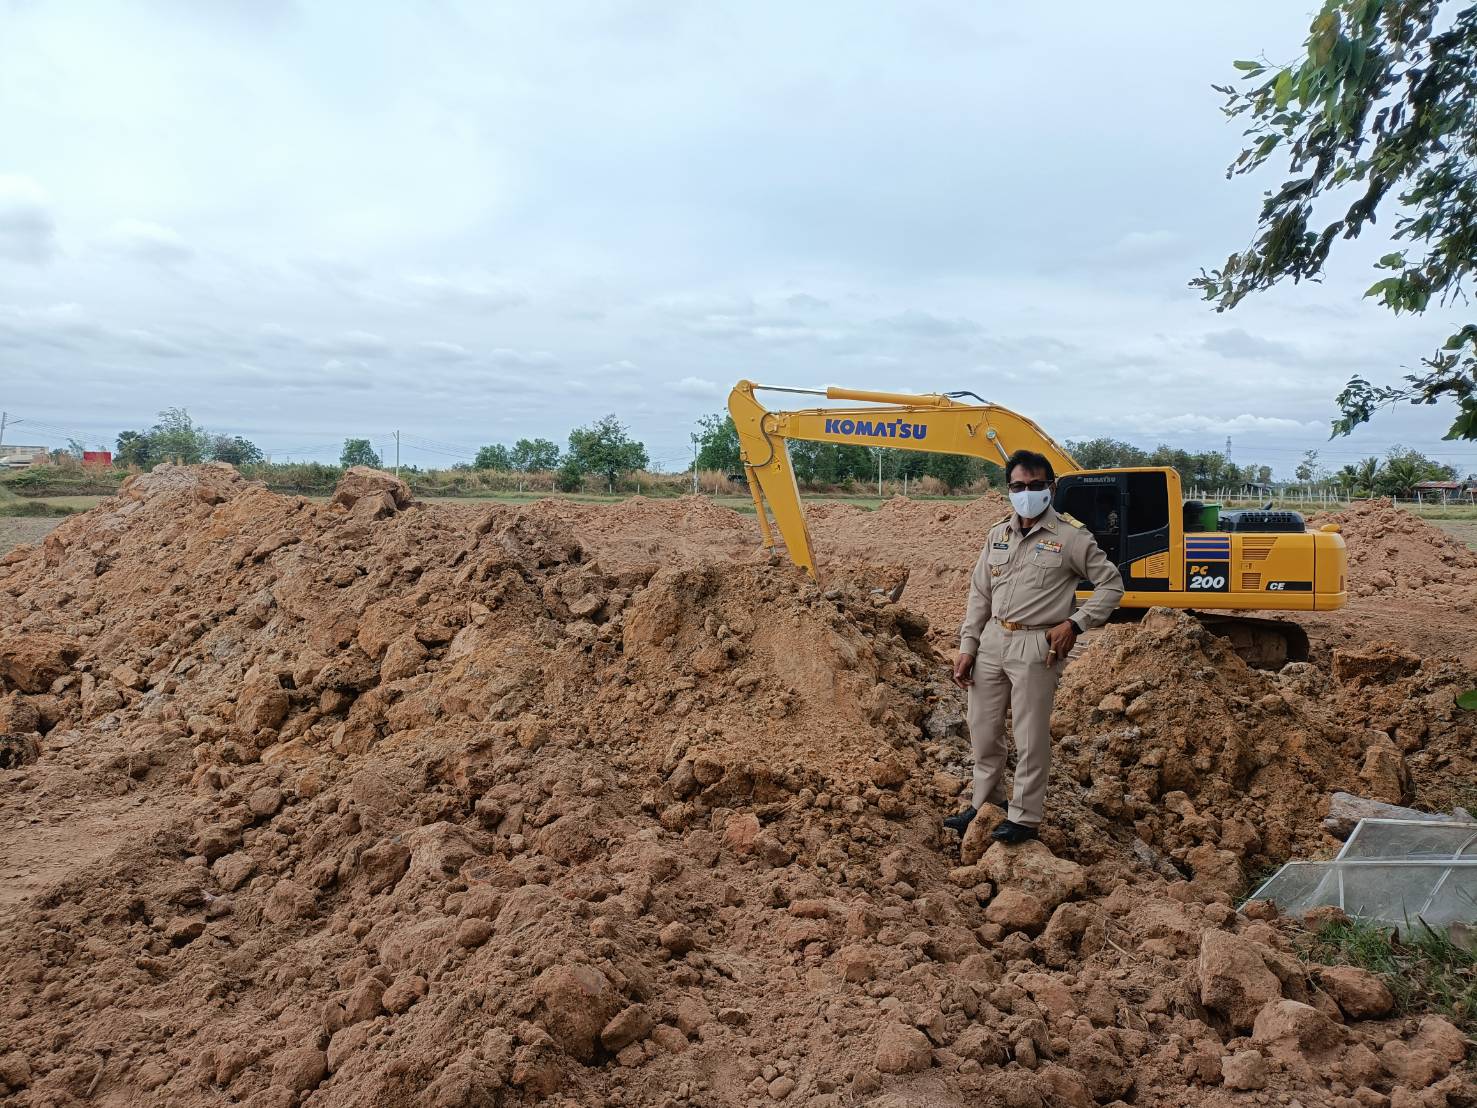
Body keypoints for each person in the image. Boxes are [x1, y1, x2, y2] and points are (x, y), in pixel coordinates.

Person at [945, 449, 1124, 845]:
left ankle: (1025, 817)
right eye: (1018, 487)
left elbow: (1112, 586)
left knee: (1029, 736)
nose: (1027, 493)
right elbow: (980, 594)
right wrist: (967, 646)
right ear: (1008, 490)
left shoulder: (1071, 538)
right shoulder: (997, 535)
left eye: (1035, 486)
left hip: (1037, 645)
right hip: (992, 640)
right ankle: (986, 805)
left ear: (1051, 487)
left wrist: (1075, 624)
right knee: (984, 731)